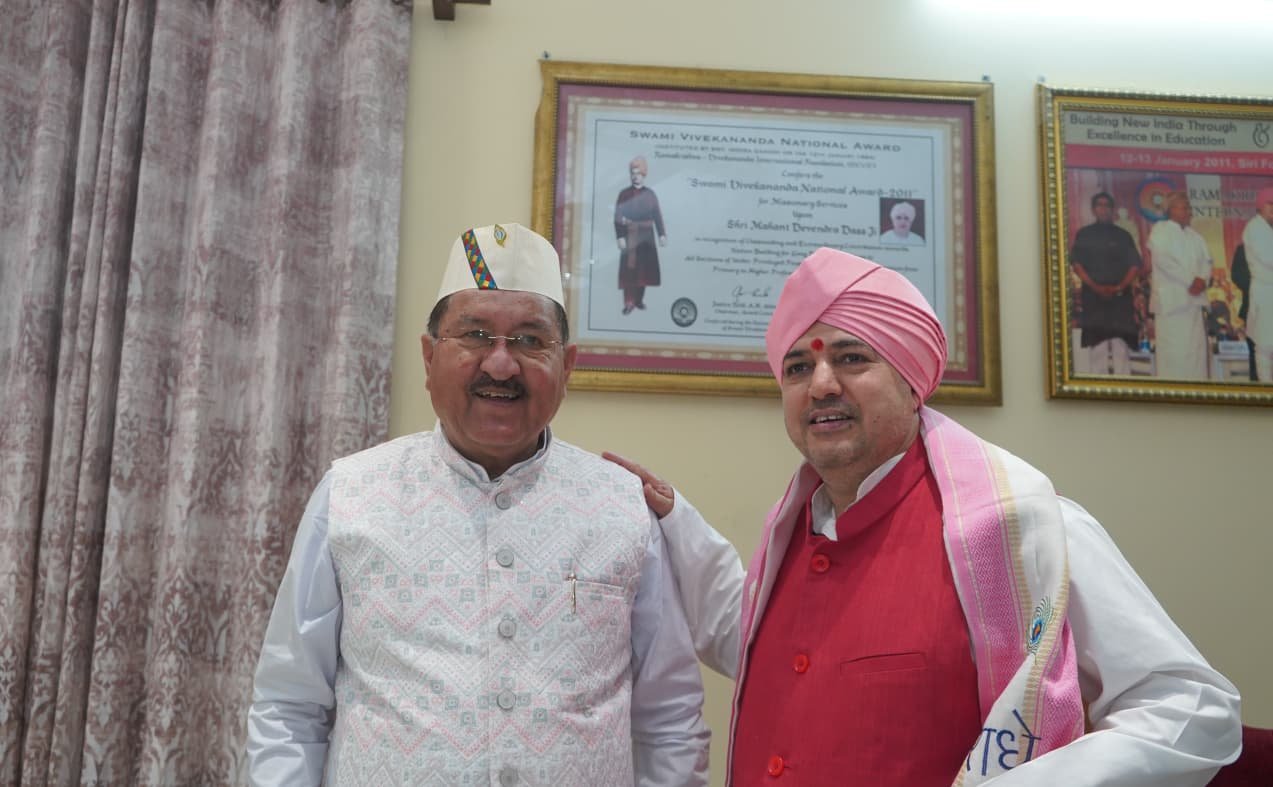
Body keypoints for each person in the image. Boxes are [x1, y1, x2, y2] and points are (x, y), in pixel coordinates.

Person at [608, 248, 1241, 786]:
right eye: (798, 368)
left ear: (913, 382)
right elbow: (756, 649)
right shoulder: (792, 538)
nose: (821, 384)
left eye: (852, 358)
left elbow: (1193, 710)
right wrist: (675, 523)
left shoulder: (1017, 530)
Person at [246, 223, 710, 785]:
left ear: (567, 366)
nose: (500, 365)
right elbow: (289, 706)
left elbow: (670, 719)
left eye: (530, 341)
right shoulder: (350, 493)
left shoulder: (623, 507)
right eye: (475, 335)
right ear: (428, 357)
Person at [1069, 192, 1143, 375]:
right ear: (1093, 209)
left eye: (1107, 205)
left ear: (1112, 209)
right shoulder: (1085, 234)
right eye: (1099, 205)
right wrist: (1096, 287)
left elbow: (1135, 265)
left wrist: (1119, 287)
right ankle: (1098, 386)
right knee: (1097, 347)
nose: (1103, 209)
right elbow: (1077, 265)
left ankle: (1124, 386)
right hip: (1094, 298)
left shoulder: (1123, 235)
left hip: (1120, 298)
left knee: (1121, 346)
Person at [1147, 191, 1212, 379]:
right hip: (1172, 304)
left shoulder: (1195, 236)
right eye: (1184, 208)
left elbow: (1207, 262)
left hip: (1193, 303)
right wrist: (1191, 280)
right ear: (1171, 210)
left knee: (1195, 352)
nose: (1188, 212)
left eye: (1189, 208)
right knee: (1174, 354)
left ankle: (1196, 392)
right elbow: (1164, 261)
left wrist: (1203, 279)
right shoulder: (1160, 230)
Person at [615, 156, 667, 315]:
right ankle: (629, 302)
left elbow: (657, 215)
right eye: (633, 173)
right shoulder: (624, 194)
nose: (635, 176)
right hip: (630, 236)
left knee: (643, 271)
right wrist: (620, 236)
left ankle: (638, 300)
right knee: (630, 271)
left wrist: (662, 234)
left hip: (646, 238)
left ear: (644, 175)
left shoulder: (650, 195)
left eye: (638, 173)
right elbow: (618, 217)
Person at [1240, 185, 1273, 380]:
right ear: (1260, 206)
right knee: (1265, 346)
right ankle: (1267, 391)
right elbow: (1269, 258)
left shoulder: (1268, 228)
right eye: (1270, 203)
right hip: (1265, 293)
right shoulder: (1255, 228)